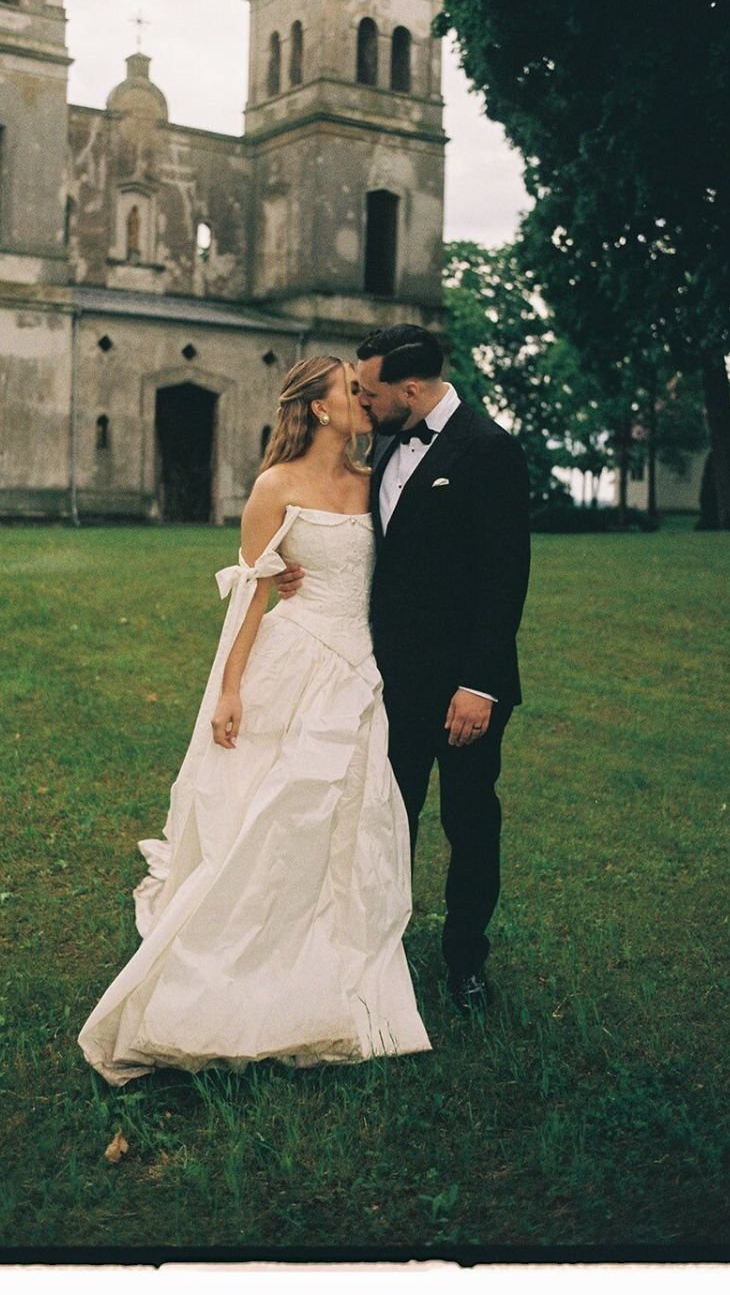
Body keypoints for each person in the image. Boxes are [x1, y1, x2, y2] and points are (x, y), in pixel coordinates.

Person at [78, 356, 431, 1084]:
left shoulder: (377, 484)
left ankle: (335, 946)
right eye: (350, 390)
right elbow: (251, 594)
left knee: (349, 812)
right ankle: (246, 957)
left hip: (362, 667)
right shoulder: (274, 487)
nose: (364, 398)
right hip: (294, 661)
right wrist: (230, 691)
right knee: (282, 809)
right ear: (321, 409)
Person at [279, 325, 530, 1015]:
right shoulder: (386, 441)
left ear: (409, 390)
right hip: (387, 683)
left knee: (470, 823)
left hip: (463, 691)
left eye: (369, 390)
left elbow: (504, 578)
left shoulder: (489, 450)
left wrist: (477, 685)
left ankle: (465, 963)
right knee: (385, 821)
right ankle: (374, 949)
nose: (362, 400)